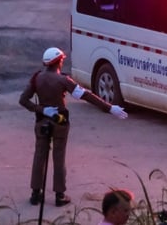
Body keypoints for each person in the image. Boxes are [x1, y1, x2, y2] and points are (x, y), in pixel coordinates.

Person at [18, 47, 129, 207]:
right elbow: (86, 95)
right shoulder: (63, 81)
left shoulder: (37, 79)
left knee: (39, 157)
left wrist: (42, 109)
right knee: (59, 157)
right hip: (60, 122)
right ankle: (59, 195)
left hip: (41, 122)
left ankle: (36, 194)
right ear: (59, 62)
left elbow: (23, 100)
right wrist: (109, 107)